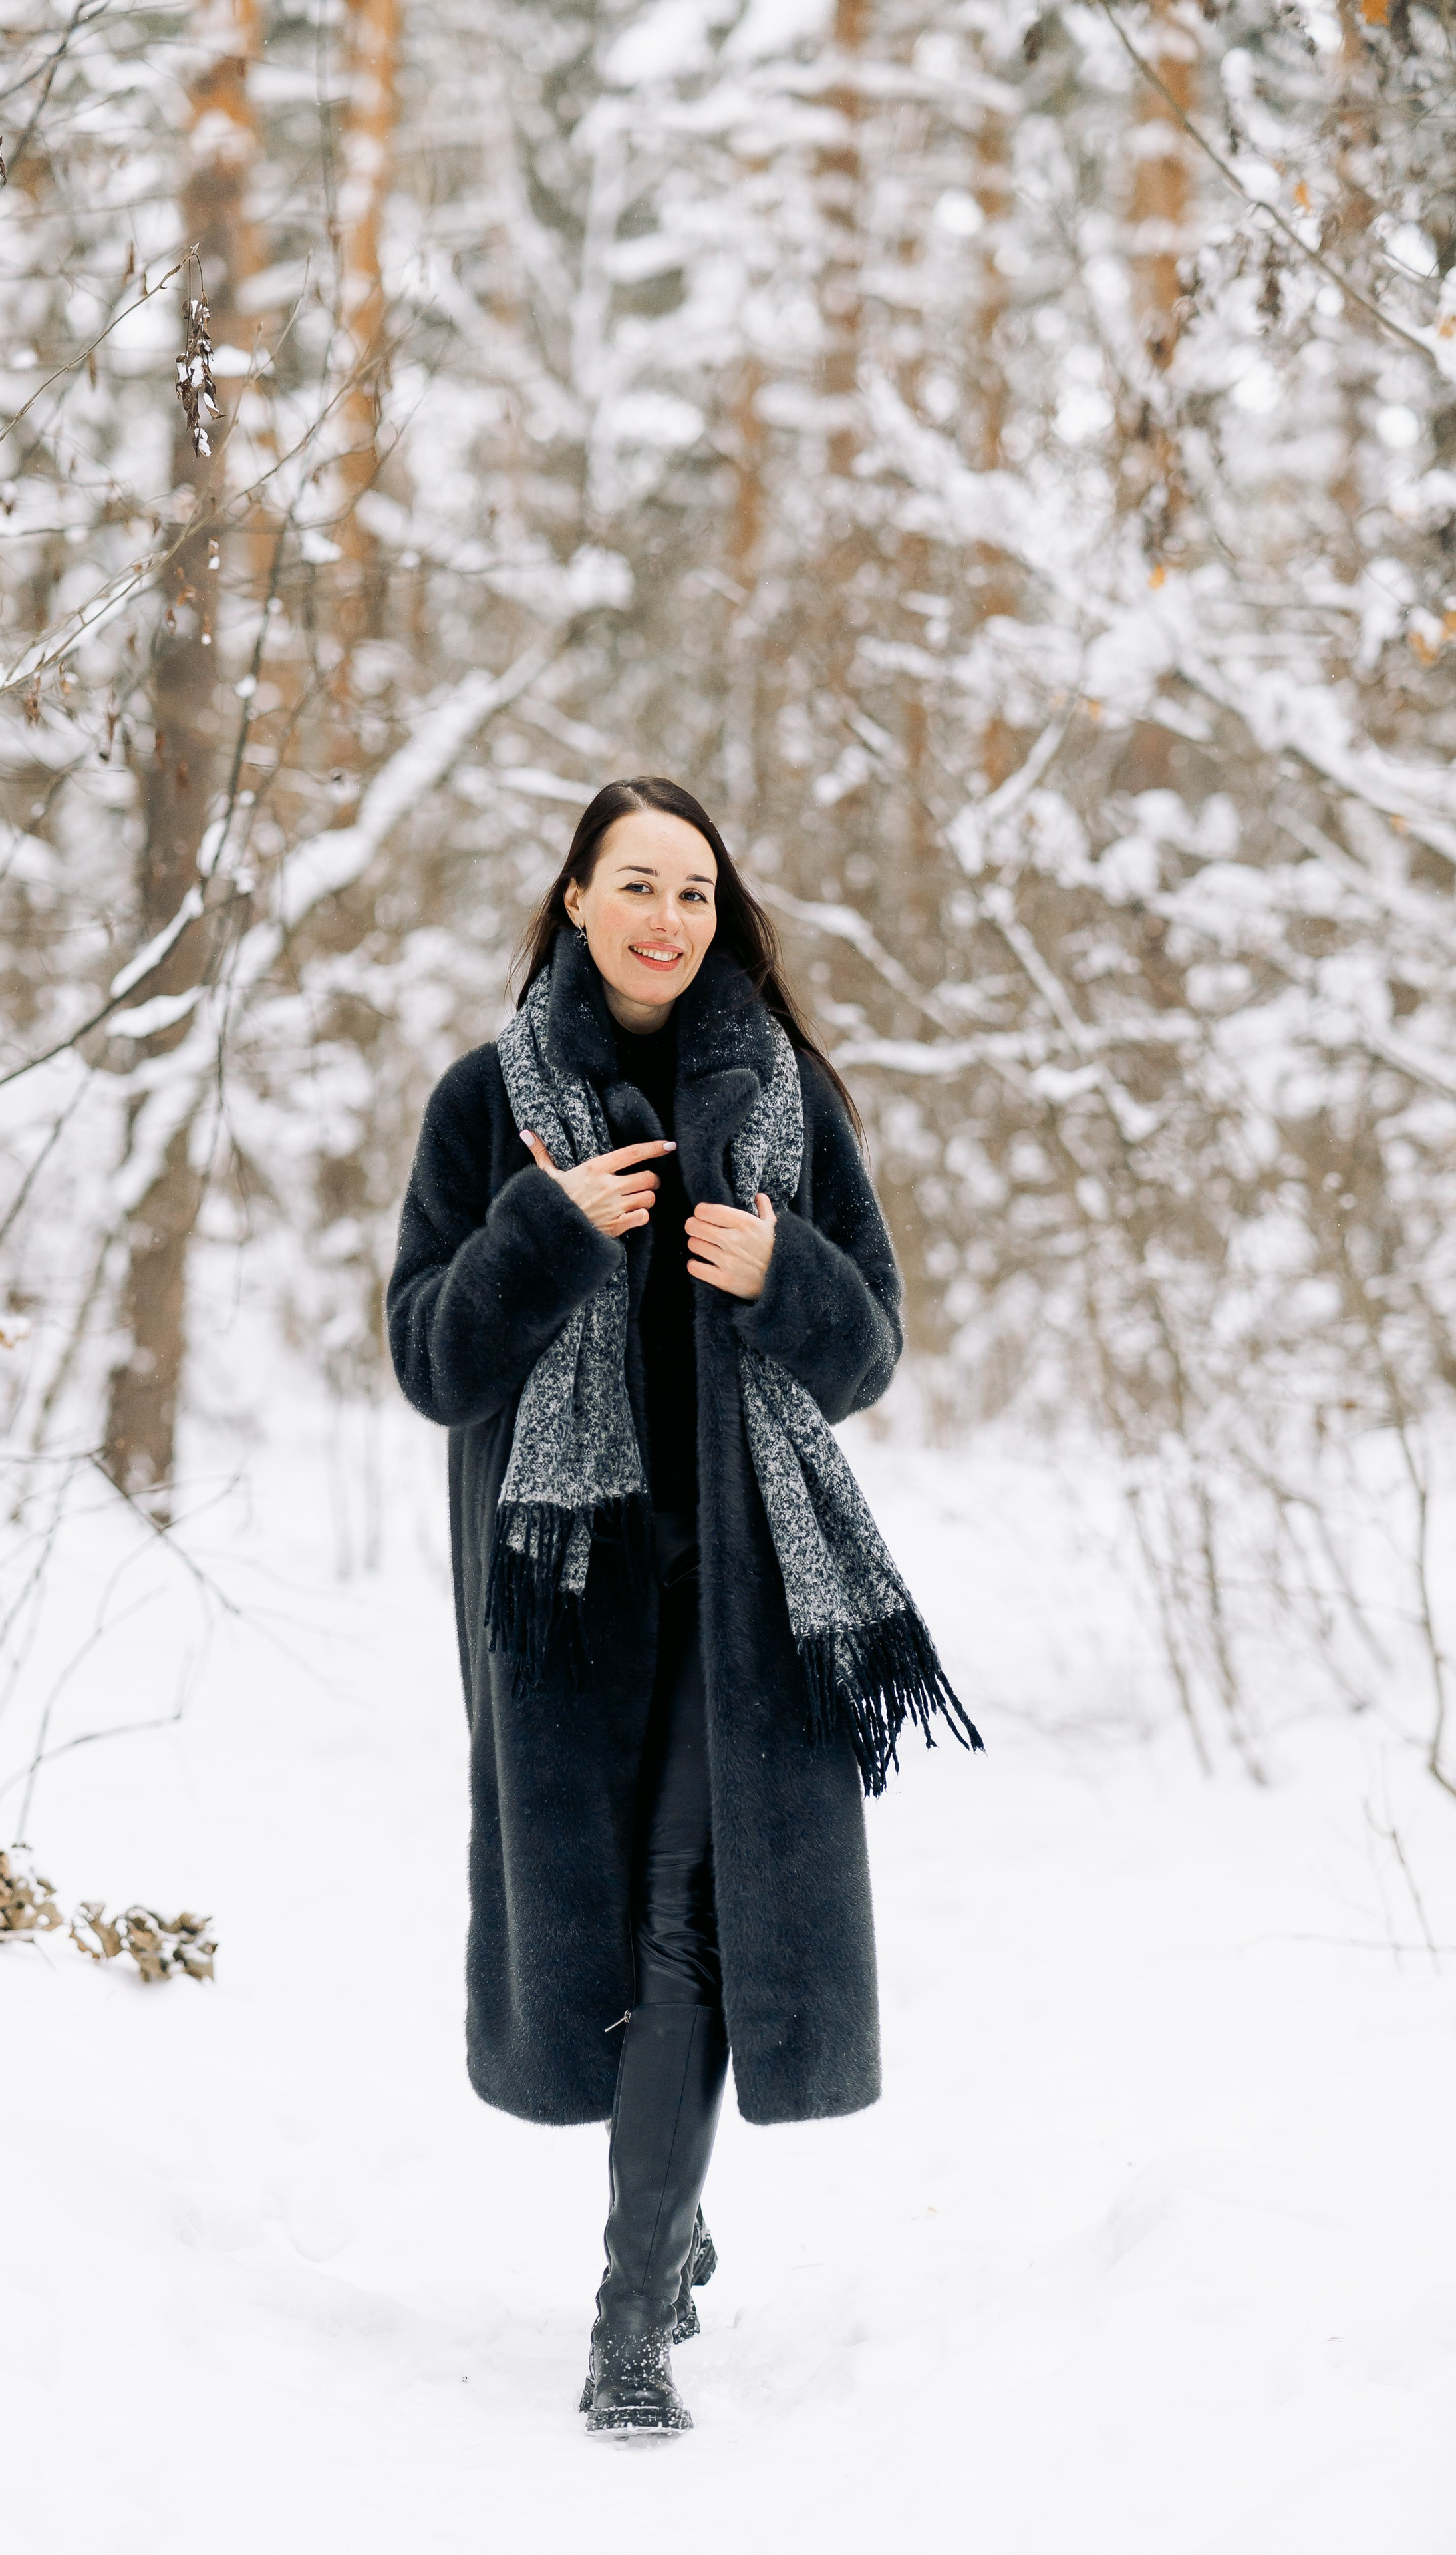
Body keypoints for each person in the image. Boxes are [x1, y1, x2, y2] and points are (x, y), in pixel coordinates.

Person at [388, 776, 977, 2434]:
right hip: (566, 1598)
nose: (665, 918)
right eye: (634, 884)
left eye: (695, 894)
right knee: (612, 1956)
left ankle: (627, 2313)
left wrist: (778, 1271)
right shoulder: (479, 1102)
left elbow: (864, 1354)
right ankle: (669, 2211)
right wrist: (540, 1233)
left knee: (677, 1921)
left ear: (722, 920)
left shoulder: (785, 1099)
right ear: (573, 899)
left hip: (744, 1588)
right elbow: (429, 1360)